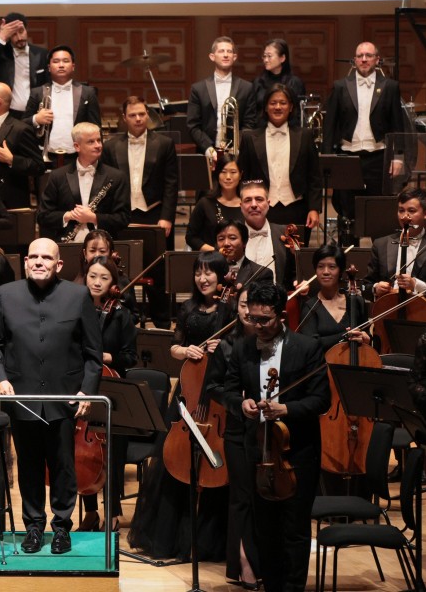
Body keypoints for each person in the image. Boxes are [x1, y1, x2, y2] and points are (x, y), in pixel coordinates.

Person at [0, 238, 102, 555]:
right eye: (32, 256)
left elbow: (93, 353)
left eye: (45, 257)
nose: (38, 261)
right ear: (24, 262)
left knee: (64, 466)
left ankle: (62, 528)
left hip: (65, 400)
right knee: (29, 465)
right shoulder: (6, 294)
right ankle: (33, 527)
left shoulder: (78, 296)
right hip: (20, 397)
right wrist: (0, 379)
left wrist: (87, 391)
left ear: (58, 264)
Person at [222, 282, 329, 592]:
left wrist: (286, 408)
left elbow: (322, 399)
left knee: (294, 530)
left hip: (297, 453)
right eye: (253, 319)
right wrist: (240, 403)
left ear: (281, 315)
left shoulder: (307, 348)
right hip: (257, 452)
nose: (258, 326)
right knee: (263, 529)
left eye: (265, 320)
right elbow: (228, 390)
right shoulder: (243, 347)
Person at [129, 251, 232, 561]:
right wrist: (184, 350)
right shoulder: (187, 308)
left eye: (210, 272)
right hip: (188, 395)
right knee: (173, 466)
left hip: (216, 398)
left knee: (218, 468)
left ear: (221, 275)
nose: (203, 278)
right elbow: (173, 346)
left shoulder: (229, 310)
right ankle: (174, 539)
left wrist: (223, 346)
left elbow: (239, 347)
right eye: (199, 272)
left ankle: (211, 540)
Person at [102, 95, 180, 326]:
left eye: (142, 114)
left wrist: (167, 218)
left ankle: (163, 325)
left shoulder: (164, 143)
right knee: (120, 270)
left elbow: (171, 184)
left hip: (154, 215)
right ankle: (121, 321)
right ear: (124, 118)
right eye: (133, 115)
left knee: (157, 272)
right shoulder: (110, 146)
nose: (138, 119)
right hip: (122, 215)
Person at [324, 41, 409, 243]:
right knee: (346, 214)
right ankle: (346, 264)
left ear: (377, 59)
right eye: (360, 56)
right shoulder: (340, 86)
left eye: (368, 55)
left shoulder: (390, 87)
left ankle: (380, 265)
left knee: (378, 214)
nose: (363, 59)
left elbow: (398, 125)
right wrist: (327, 160)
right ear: (354, 60)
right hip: (347, 157)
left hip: (378, 157)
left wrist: (398, 157)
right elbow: (329, 126)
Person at [205, 286, 260, 589]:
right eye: (243, 304)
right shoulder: (227, 346)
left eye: (254, 304)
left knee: (262, 497)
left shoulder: (275, 343)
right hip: (237, 428)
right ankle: (242, 561)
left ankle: (263, 557)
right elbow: (212, 387)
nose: (249, 310)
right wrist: (235, 401)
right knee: (241, 497)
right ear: (236, 309)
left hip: (271, 430)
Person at [78, 254, 136, 531]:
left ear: (113, 282)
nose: (97, 282)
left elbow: (130, 357)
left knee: (112, 454)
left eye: (104, 277)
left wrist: (102, 356)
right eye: (92, 276)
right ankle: (90, 512)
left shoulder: (122, 314)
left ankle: (112, 514)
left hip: (113, 390)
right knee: (81, 452)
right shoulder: (75, 308)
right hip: (81, 387)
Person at [237, 84, 321, 240]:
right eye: (273, 103)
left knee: (295, 260)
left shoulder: (305, 136)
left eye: (283, 103)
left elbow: (314, 176)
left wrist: (314, 208)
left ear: (290, 107)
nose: (277, 107)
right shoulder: (250, 138)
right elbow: (243, 177)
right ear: (265, 107)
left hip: (297, 208)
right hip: (261, 209)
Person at [38, 122, 130, 242]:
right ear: (77, 146)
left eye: (99, 140)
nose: (98, 145)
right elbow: (43, 216)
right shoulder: (58, 176)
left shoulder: (117, 177)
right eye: (91, 142)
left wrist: (94, 218)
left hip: (103, 246)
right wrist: (69, 216)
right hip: (66, 245)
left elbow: (123, 218)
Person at [25, 46, 101, 166]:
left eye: (66, 61)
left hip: (79, 156)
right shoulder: (37, 92)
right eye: (56, 61)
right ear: (49, 67)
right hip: (46, 157)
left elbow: (96, 127)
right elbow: (23, 123)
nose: (61, 65)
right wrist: (36, 119)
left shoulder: (88, 93)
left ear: (73, 66)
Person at [186, 36, 259, 157]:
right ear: (212, 57)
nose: (226, 55)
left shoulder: (247, 88)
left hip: (237, 153)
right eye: (221, 51)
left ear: (234, 57)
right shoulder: (198, 89)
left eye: (229, 51)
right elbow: (193, 125)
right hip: (208, 152)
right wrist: (208, 148)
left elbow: (250, 123)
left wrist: (237, 146)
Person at [298, 244, 371, 351]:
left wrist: (366, 339)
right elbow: (311, 345)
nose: (326, 272)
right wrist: (345, 336)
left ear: (340, 271)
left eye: (332, 267)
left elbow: (368, 337)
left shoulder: (356, 302)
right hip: (322, 365)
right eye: (320, 266)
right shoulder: (309, 307)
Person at [0, 12, 50, 114]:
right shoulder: (2, 54)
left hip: (35, 113)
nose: (19, 38)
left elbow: (48, 84)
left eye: (21, 31)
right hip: (8, 113)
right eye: (13, 34)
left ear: (26, 30)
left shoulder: (41, 54)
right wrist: (1, 36)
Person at [365, 188, 426, 297]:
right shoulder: (381, 245)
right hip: (387, 309)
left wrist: (416, 285)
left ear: (425, 214)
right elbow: (366, 286)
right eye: (401, 210)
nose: (404, 217)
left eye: (411, 211)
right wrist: (375, 288)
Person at [240, 180, 295, 288]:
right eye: (248, 200)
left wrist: (297, 282)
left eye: (259, 199)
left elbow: (294, 273)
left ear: (268, 204)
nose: (254, 205)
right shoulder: (232, 237)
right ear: (241, 206)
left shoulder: (285, 233)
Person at [186, 160, 242, 251]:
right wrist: (216, 253)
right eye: (223, 172)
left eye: (233, 172)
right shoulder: (205, 203)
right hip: (211, 260)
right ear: (217, 175)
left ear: (240, 175)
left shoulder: (247, 204)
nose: (228, 177)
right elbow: (191, 237)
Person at [252, 39, 306, 127]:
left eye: (269, 56)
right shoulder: (257, 82)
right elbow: (253, 113)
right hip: (262, 132)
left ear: (282, 58)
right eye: (264, 56)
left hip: (289, 131)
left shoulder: (295, 82)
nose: (265, 60)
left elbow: (299, 115)